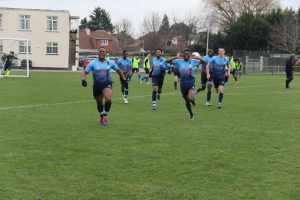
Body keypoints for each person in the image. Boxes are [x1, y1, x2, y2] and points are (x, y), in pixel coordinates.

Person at [81, 47, 126, 126]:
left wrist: (124, 80)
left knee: (108, 99)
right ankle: (102, 114)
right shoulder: (93, 63)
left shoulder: (110, 62)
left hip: (107, 83)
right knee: (99, 103)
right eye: (100, 51)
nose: (102, 52)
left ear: (106, 53)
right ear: (98, 53)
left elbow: (118, 70)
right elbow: (85, 72)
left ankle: (105, 115)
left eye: (103, 51)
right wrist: (83, 80)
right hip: (97, 85)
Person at [167, 49, 206, 120]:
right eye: (185, 54)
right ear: (183, 55)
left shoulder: (193, 61)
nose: (186, 55)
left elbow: (205, 62)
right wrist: (176, 57)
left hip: (191, 81)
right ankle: (191, 113)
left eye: (188, 54)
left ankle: (193, 100)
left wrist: (197, 58)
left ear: (190, 55)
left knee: (190, 96)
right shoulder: (179, 61)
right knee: (187, 101)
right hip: (183, 83)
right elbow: (167, 61)